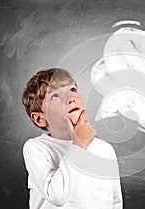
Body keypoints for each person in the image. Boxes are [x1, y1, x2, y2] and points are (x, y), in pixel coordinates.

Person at [21, 68, 123, 209]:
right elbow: (57, 196)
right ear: (39, 118)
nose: (70, 98)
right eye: (55, 96)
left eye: (73, 90)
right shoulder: (36, 148)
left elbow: (115, 203)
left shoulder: (105, 150)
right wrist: (79, 145)